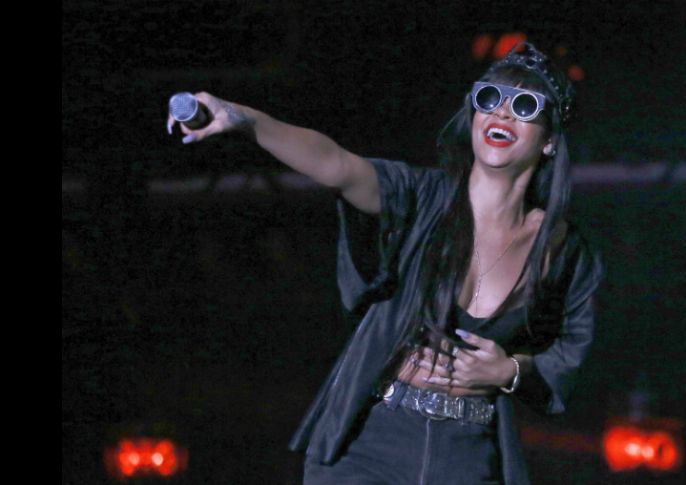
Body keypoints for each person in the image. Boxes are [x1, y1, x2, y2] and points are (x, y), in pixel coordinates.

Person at [168, 42, 604, 485]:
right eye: (489, 98)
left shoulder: (563, 250)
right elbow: (336, 165)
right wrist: (245, 119)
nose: (502, 113)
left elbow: (573, 353)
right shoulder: (420, 197)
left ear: (550, 140)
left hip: (468, 454)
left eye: (525, 106)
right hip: (372, 444)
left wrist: (510, 370)